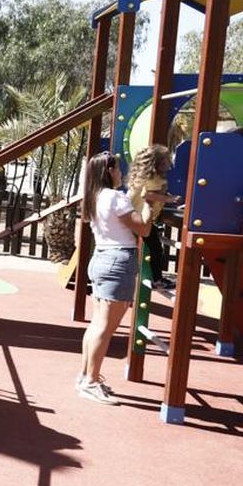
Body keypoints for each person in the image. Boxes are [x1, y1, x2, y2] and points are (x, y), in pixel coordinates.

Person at [78, 151, 152, 406]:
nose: (121, 172)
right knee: (105, 328)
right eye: (119, 168)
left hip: (101, 258)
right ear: (109, 171)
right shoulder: (115, 198)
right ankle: (90, 381)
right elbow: (143, 227)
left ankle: (87, 375)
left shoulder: (94, 196)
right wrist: (151, 204)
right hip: (118, 261)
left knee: (97, 324)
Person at [126, 144, 178, 289]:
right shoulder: (154, 178)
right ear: (159, 163)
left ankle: (154, 278)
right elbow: (146, 194)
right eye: (167, 160)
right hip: (138, 218)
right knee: (155, 249)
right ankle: (157, 279)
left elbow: (153, 193)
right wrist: (169, 200)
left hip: (132, 216)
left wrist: (167, 197)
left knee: (144, 247)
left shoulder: (147, 177)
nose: (170, 162)